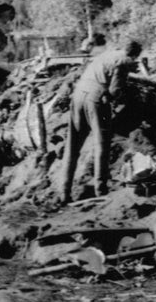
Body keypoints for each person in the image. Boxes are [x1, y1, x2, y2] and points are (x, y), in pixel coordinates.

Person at [61, 39, 143, 203]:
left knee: (72, 145)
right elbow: (114, 89)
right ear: (134, 54)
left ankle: (64, 192)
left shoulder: (108, 54)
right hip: (95, 99)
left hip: (78, 95)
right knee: (101, 145)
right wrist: (117, 97)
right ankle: (100, 189)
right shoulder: (123, 61)